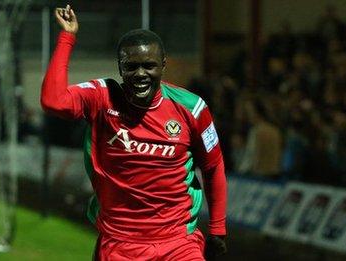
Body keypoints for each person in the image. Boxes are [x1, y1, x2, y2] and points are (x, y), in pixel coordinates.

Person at [41, 5, 227, 260]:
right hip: (121, 245)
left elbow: (213, 166)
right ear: (120, 67)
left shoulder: (192, 108)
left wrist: (217, 228)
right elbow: (53, 100)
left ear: (163, 65)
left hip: (178, 243)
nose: (140, 74)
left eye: (149, 66)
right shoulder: (102, 98)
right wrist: (67, 37)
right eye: (131, 67)